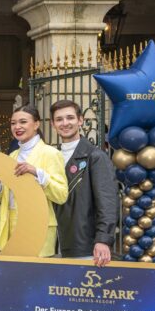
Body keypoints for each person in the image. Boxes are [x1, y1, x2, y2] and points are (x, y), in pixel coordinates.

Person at [0, 105, 68, 257]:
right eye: (13, 123)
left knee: (35, 271)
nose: (17, 127)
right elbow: (3, 198)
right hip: (11, 225)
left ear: (36, 124)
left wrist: (36, 172)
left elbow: (61, 195)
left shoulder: (51, 154)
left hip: (38, 226)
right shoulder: (12, 155)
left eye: (23, 122)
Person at [49, 100, 118, 265]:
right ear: (52, 124)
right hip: (53, 244)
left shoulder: (95, 156)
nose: (65, 123)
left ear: (80, 120)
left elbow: (107, 202)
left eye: (70, 118)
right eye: (59, 119)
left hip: (84, 245)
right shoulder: (51, 156)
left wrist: (103, 239)